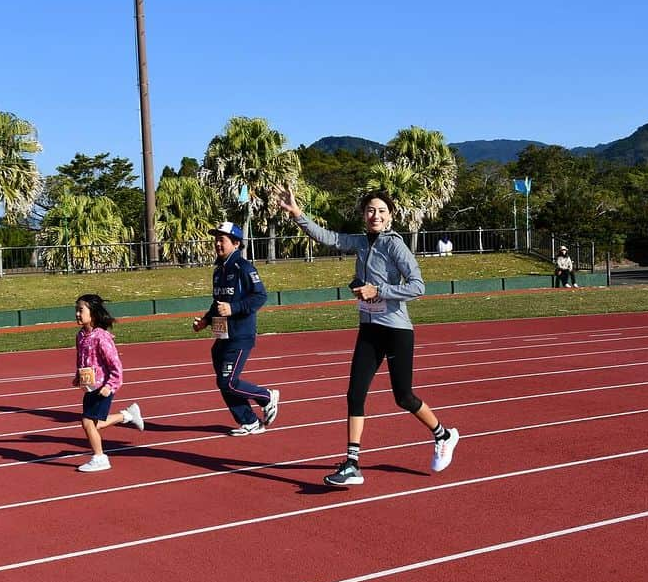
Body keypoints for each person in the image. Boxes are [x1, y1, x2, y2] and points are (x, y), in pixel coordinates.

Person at [277, 187, 458, 486]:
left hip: (397, 330)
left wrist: (380, 290)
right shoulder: (360, 243)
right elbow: (329, 237)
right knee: (354, 394)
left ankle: (443, 434)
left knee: (403, 396)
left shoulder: (396, 246)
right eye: (371, 210)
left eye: (382, 211)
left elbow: (418, 286)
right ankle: (352, 464)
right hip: (369, 328)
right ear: (364, 215)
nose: (376, 215)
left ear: (390, 217)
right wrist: (298, 214)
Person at [192, 221, 280, 436]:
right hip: (222, 333)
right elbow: (218, 303)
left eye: (221, 240)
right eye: (216, 240)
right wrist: (205, 321)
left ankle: (266, 396)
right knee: (224, 382)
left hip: (240, 334)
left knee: (228, 381)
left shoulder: (244, 268)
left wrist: (234, 308)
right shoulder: (218, 271)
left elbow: (260, 296)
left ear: (236, 243)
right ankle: (249, 422)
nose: (217, 244)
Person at [72, 293, 144, 472]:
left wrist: (110, 386)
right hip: (90, 387)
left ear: (93, 314)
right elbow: (81, 359)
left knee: (87, 422)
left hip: (103, 387)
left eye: (81, 310)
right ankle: (127, 415)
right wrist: (78, 376)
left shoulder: (101, 337)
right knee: (95, 424)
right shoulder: (80, 336)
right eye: (76, 310)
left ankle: (100, 458)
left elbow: (116, 366)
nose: (77, 314)